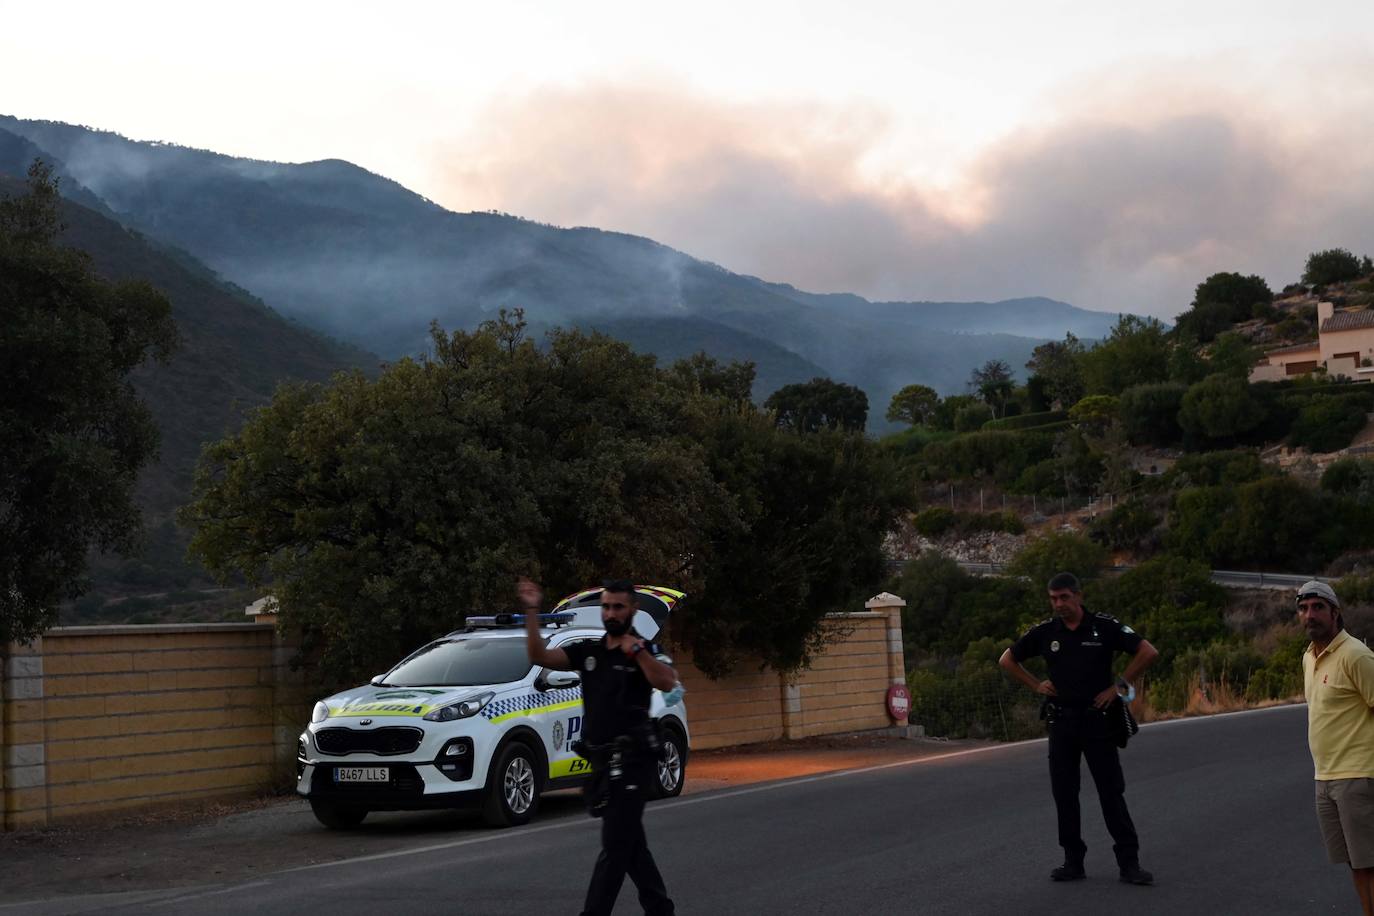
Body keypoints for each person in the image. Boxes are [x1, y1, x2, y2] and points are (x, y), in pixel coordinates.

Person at [520, 576, 677, 916]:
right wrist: (532, 610)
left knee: (615, 843)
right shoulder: (589, 651)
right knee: (630, 842)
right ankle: (661, 909)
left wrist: (637, 652)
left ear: (632, 609)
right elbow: (538, 654)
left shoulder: (644, 649)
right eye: (606, 606)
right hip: (603, 761)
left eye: (618, 606)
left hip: (635, 757)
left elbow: (667, 681)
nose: (611, 613)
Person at [998, 571, 1159, 885]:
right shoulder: (1046, 632)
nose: (1059, 604)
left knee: (1110, 793)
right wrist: (1035, 685)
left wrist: (1118, 686)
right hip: (1062, 723)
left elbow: (1148, 651)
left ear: (1078, 596)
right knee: (1065, 794)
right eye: (1054, 598)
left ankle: (1129, 863)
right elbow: (1006, 659)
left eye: (1065, 597)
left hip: (1098, 721)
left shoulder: (1104, 626)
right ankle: (1073, 862)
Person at [1298, 580, 1374, 916]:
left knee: (1369, 862)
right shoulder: (1309, 658)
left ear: (1335, 612)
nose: (1309, 615)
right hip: (1325, 777)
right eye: (1303, 608)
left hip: (1358, 775)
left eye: (1318, 607)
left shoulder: (1356, 655)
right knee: (1356, 864)